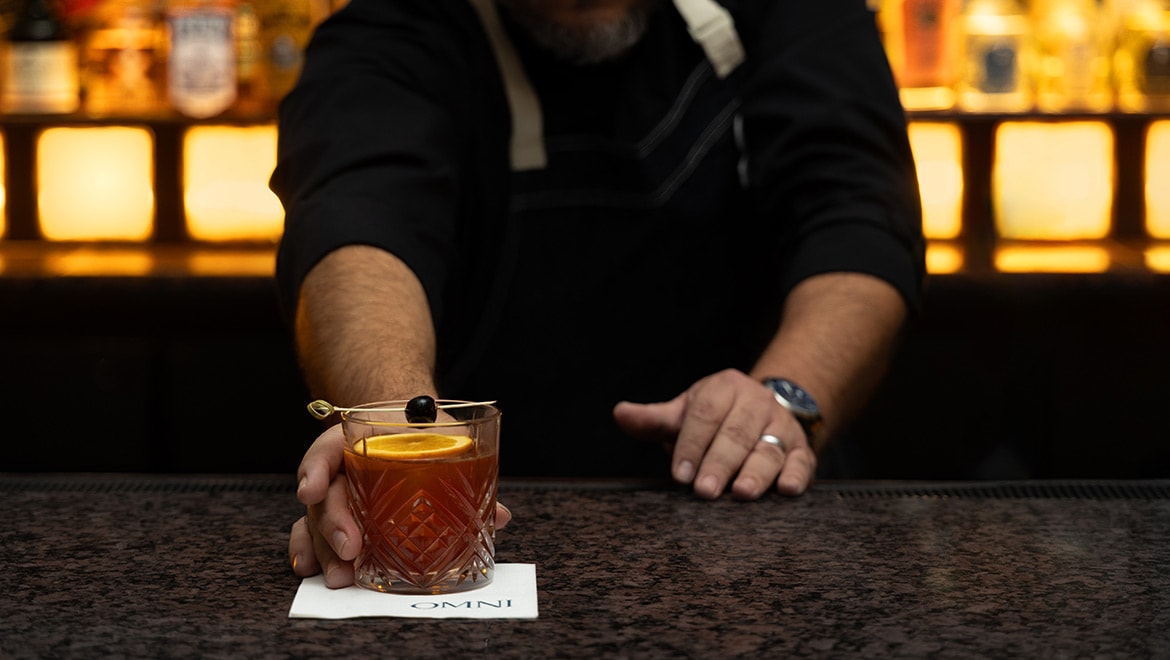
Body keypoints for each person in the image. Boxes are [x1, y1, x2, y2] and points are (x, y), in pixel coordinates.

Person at [274, 0, 925, 587]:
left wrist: (783, 397)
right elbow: (355, 226)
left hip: (756, 527)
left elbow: (856, 220)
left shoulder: (791, 15)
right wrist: (399, 431)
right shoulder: (391, 30)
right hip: (489, 531)